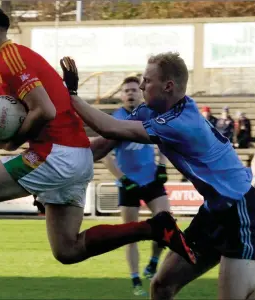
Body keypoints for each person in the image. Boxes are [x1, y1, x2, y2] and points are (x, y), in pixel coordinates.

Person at [0, 7, 195, 300]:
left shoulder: (11, 57)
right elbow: (26, 123)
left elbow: (45, 110)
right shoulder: (6, 67)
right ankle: (154, 227)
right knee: (67, 250)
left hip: (55, 154)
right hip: (75, 156)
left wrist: (8, 139)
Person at [60, 54, 255, 300]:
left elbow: (110, 127)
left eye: (147, 80)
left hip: (239, 211)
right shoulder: (152, 110)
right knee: (161, 286)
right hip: (214, 211)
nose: (142, 86)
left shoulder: (180, 122)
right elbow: (103, 145)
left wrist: (72, 95)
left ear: (168, 86)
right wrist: (53, 169)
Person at [101, 76, 170, 296]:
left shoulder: (150, 115)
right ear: (121, 96)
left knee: (167, 223)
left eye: (133, 90)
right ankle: (135, 278)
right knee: (129, 234)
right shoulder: (115, 120)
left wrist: (162, 166)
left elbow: (164, 142)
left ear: (140, 93)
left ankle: (153, 262)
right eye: (126, 90)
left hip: (150, 179)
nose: (130, 93)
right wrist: (122, 179)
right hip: (128, 184)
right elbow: (106, 157)